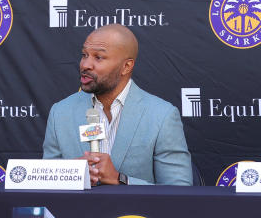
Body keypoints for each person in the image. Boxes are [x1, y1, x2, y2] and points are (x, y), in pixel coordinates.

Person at [42, 24, 192, 186]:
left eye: (98, 57)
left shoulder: (161, 116)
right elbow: (45, 186)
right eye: (84, 55)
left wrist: (120, 179)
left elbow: (179, 190)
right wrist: (70, 174)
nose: (85, 65)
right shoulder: (60, 112)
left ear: (126, 66)